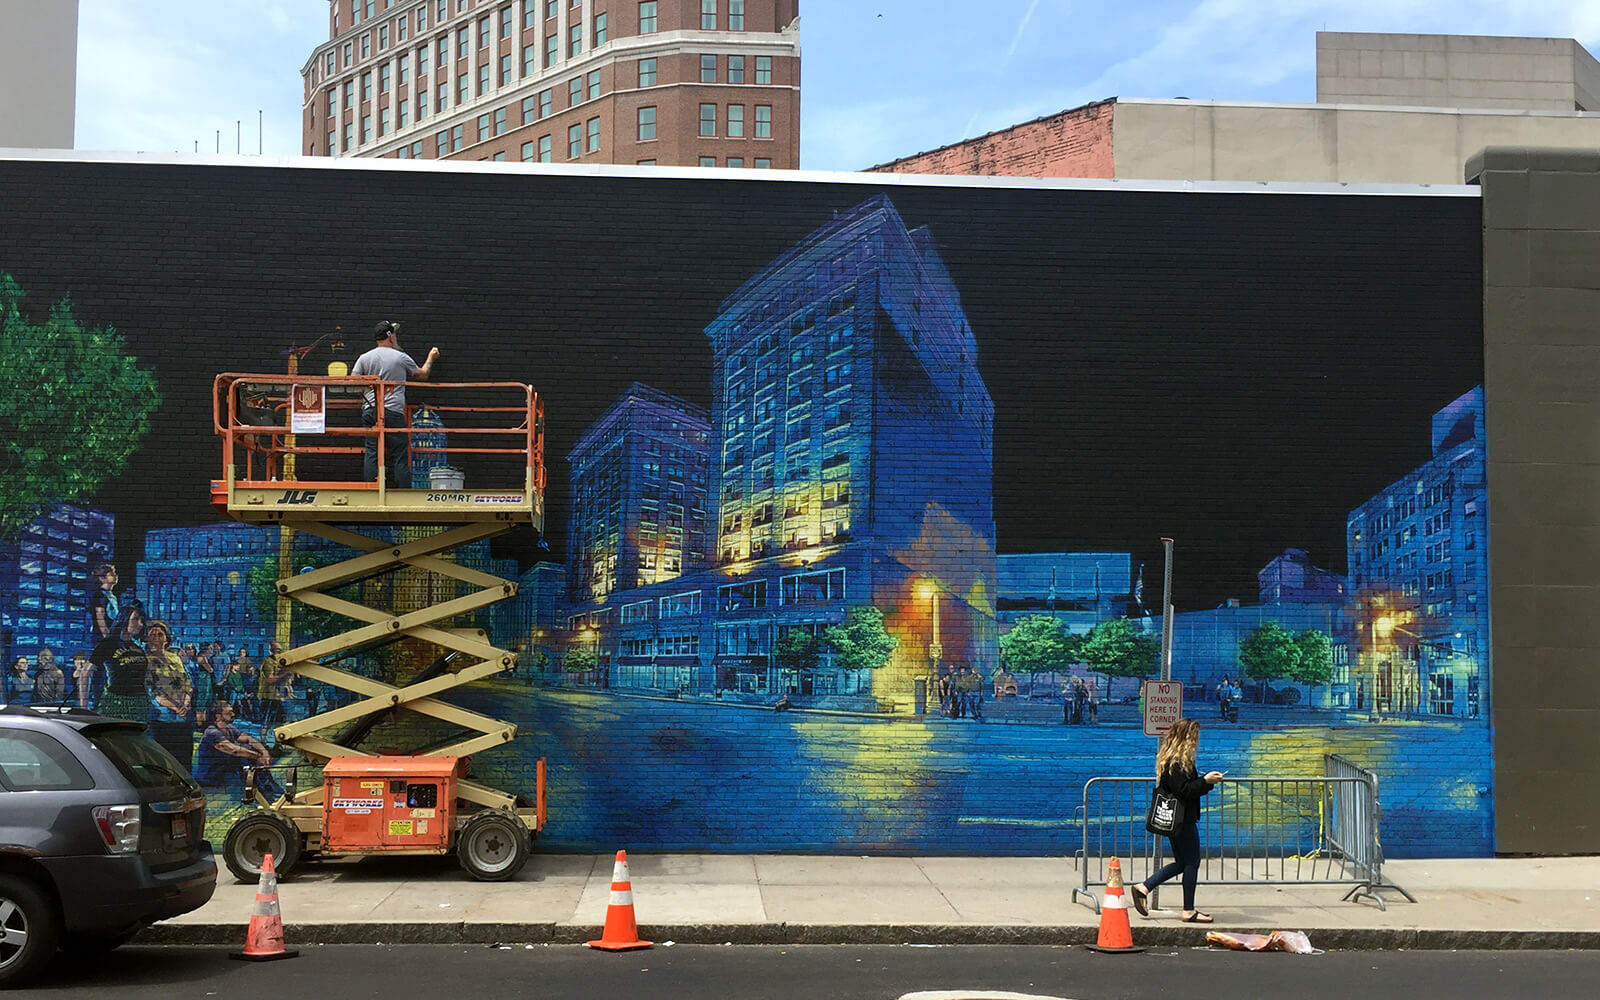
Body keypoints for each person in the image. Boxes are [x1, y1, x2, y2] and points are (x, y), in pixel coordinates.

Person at [1130, 718, 1226, 924]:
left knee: (1182, 862)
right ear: (1186, 738)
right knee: (1192, 862)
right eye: (1194, 737)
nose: (1197, 741)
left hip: (1179, 819)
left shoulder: (1176, 760)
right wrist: (1206, 781)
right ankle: (1188, 910)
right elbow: (1184, 790)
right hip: (1183, 820)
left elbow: (1187, 787)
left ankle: (1144, 887)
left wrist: (1205, 782)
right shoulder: (1176, 763)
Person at [353, 320, 439, 488]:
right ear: (390, 337)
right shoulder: (400, 357)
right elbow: (422, 374)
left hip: (370, 410)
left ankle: (371, 488)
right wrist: (431, 358)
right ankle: (403, 491)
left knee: (372, 451)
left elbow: (353, 381)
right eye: (395, 333)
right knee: (399, 453)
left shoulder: (364, 358)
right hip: (393, 411)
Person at [194, 702, 284, 801]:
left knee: (248, 749)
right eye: (229, 712)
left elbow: (248, 739)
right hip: (211, 777)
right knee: (244, 756)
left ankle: (275, 792)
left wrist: (264, 752)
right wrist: (258, 757)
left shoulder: (229, 728)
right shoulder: (212, 732)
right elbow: (234, 750)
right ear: (218, 716)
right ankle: (267, 796)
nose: (233, 714)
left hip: (224, 770)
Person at [143, 621, 194, 768]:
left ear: (166, 638)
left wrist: (185, 702)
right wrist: (175, 707)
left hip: (183, 718)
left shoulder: (175, 657)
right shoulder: (146, 660)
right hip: (162, 718)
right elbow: (153, 691)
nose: (157, 638)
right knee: (165, 760)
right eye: (152, 635)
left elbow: (187, 682)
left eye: (160, 634)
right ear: (146, 638)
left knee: (184, 760)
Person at [95, 602, 151, 722]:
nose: (140, 624)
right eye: (135, 619)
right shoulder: (109, 644)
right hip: (116, 701)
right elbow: (85, 674)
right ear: (124, 620)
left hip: (139, 703)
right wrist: (83, 706)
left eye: (141, 620)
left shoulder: (138, 648)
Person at [257, 640, 291, 733]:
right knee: (267, 720)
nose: (278, 653)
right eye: (276, 650)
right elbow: (270, 679)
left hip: (278, 696)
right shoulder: (268, 662)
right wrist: (285, 674)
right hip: (269, 697)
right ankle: (264, 741)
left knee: (280, 720)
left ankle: (276, 743)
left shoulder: (280, 662)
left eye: (279, 651)